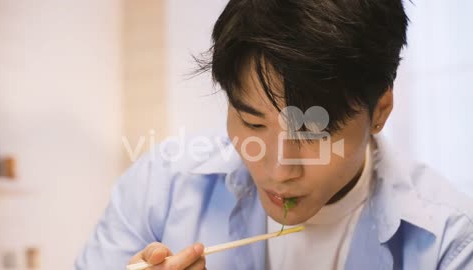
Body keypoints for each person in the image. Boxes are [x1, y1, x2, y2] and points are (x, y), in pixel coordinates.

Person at [75, 0, 473, 269]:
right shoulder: (158, 189)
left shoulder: (448, 241)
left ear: (380, 111)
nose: (278, 170)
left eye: (313, 133)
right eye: (252, 124)